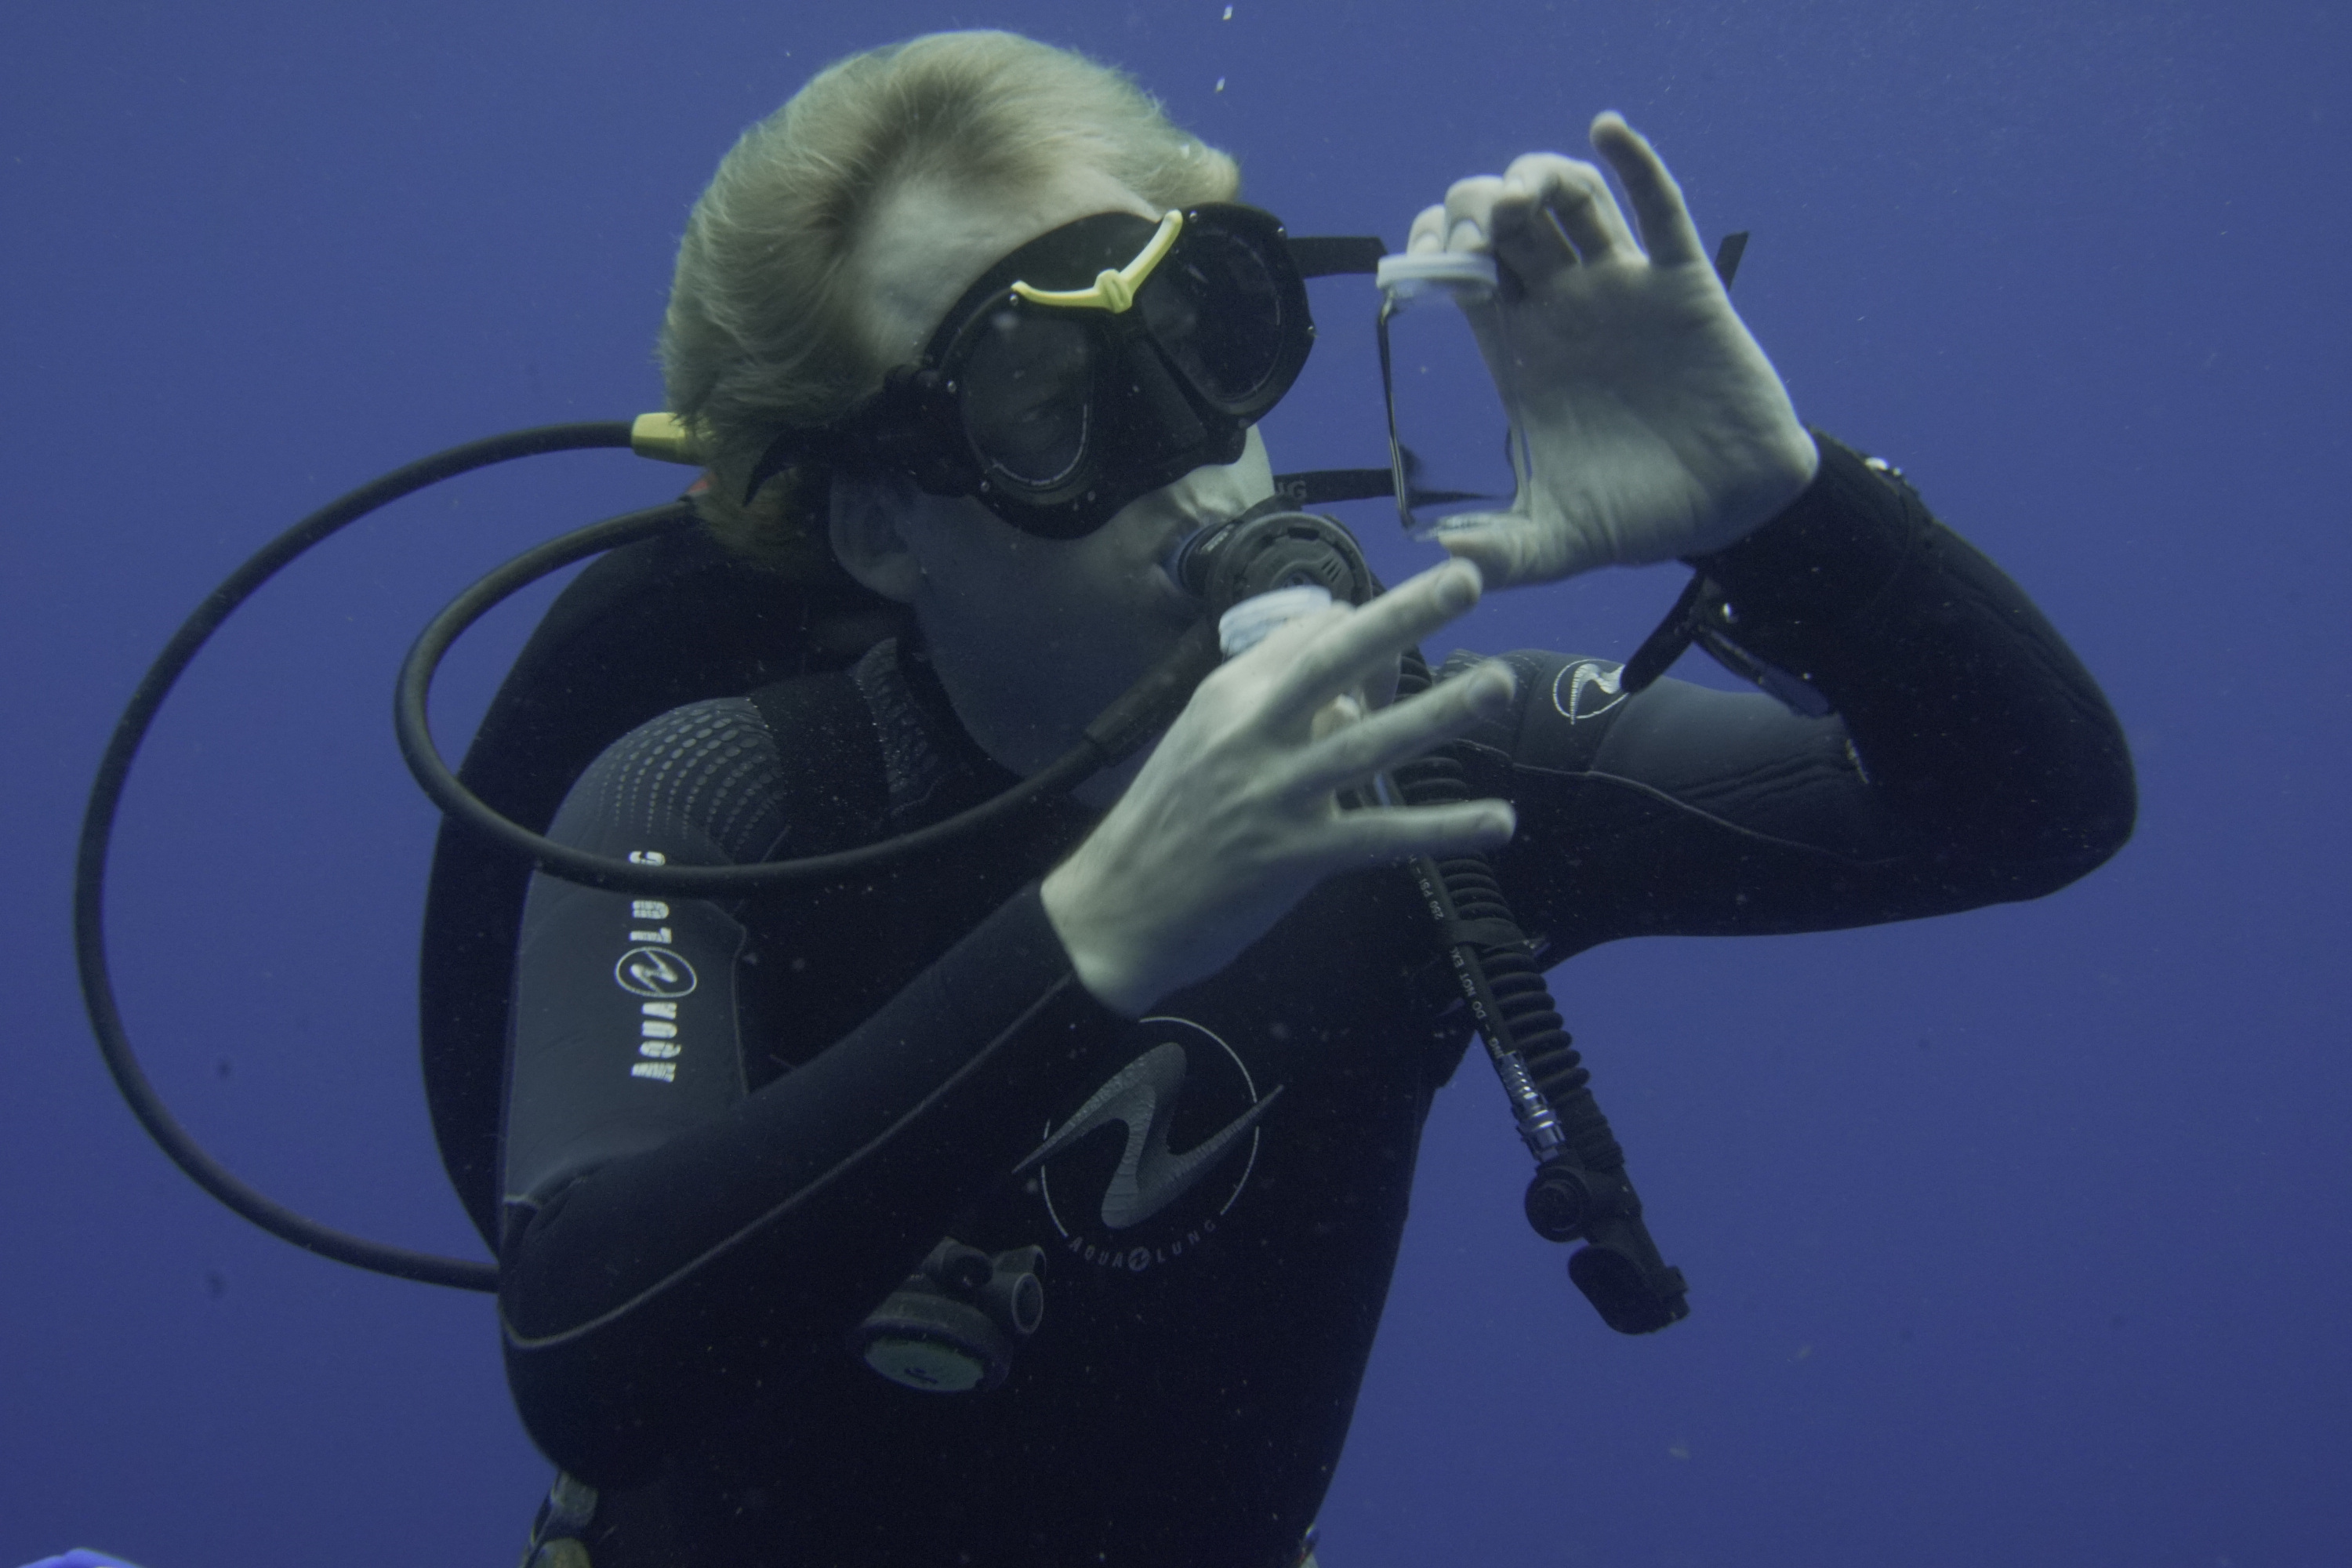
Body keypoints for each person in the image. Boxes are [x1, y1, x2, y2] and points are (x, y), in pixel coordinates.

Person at [486, 30, 2134, 1568]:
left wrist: (1787, 518)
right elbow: (585, 1355)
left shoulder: (1424, 778)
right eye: (1047, 406)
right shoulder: (722, 798)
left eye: (1204, 332)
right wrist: (1097, 938)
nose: (1189, 452)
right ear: (876, 527)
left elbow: (2028, 812)